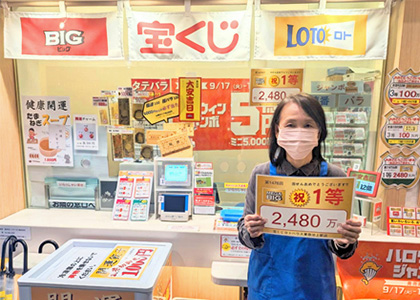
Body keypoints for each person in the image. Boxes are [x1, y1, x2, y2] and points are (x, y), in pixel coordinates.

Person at [237, 93, 362, 300]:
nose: (299, 132)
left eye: (308, 125)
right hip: (269, 284)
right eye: (291, 124)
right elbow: (244, 233)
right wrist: (251, 230)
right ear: (278, 129)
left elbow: (342, 249)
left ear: (319, 131)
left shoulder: (335, 178)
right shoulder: (262, 174)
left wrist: (344, 240)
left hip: (315, 286)